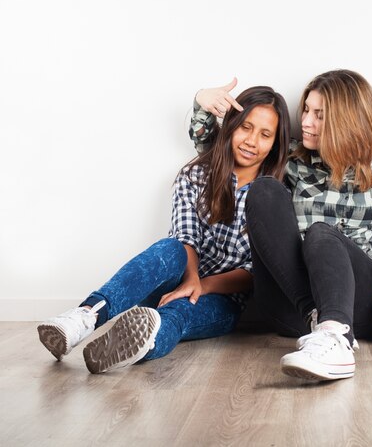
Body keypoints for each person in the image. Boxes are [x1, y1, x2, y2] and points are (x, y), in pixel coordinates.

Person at [199, 71, 372, 380]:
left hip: (357, 304)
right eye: (306, 110)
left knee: (323, 234)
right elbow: (225, 154)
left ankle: (335, 333)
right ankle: (318, 321)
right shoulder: (294, 160)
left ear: (344, 120)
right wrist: (203, 105)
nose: (306, 121)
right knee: (265, 189)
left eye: (319, 115)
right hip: (292, 304)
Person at [37, 85, 291, 373]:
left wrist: (200, 286)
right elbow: (185, 237)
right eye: (246, 127)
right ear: (231, 126)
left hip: (221, 301)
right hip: (174, 278)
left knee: (176, 314)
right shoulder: (194, 175)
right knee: (170, 247)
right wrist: (191, 278)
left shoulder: (275, 198)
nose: (252, 141)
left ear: (275, 144)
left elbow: (254, 271)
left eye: (265, 134)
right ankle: (84, 318)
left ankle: (132, 345)